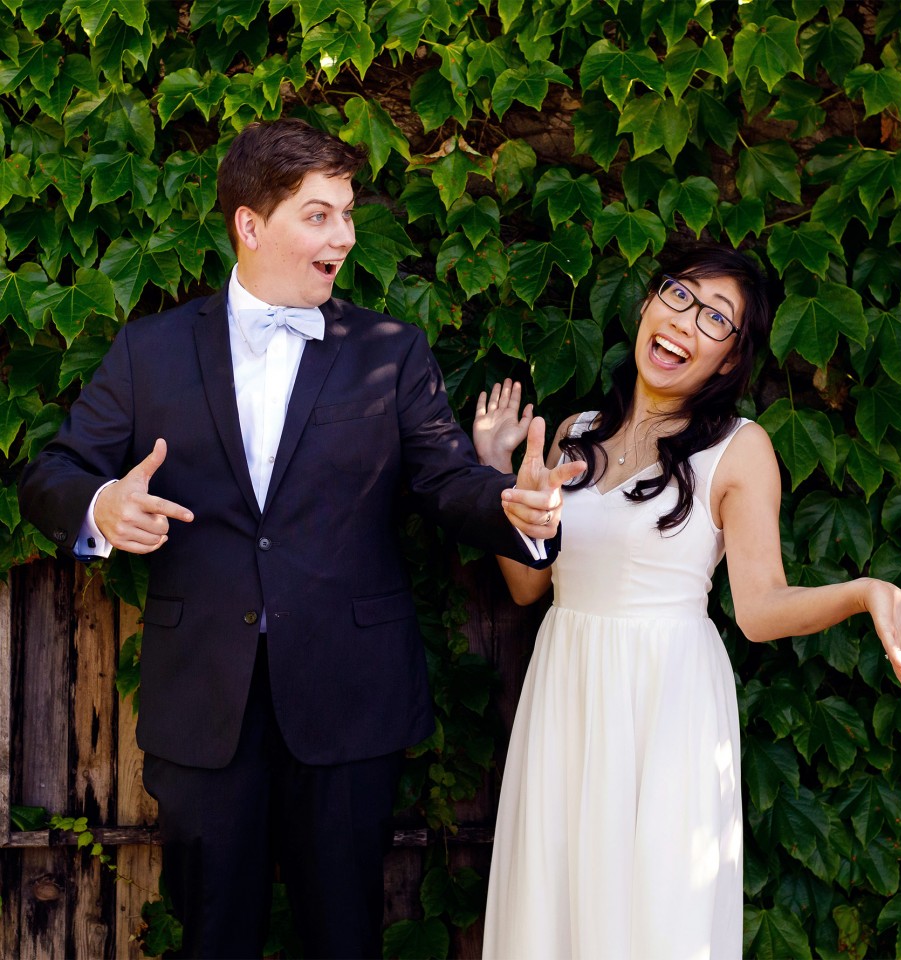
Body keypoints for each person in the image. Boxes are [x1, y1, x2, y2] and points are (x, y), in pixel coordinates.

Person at [17, 118, 583, 960]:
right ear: (250, 225)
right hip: (204, 701)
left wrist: (510, 505)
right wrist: (101, 507)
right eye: (320, 216)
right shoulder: (149, 351)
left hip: (350, 696)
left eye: (347, 214)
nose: (344, 237)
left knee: (345, 937)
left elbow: (444, 480)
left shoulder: (391, 351)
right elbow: (51, 473)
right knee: (213, 935)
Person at [471, 243, 901, 960]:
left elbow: (760, 607)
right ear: (646, 306)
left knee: (654, 910)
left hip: (666, 705)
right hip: (566, 691)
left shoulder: (740, 449)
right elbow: (529, 585)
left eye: (716, 317)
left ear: (729, 359)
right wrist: (494, 467)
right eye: (679, 296)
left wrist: (865, 591)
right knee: (555, 903)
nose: (686, 321)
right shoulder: (575, 435)